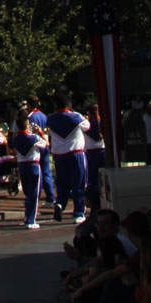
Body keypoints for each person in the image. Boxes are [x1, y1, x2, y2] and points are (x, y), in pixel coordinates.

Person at [47, 91, 90, 224]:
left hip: (59, 156)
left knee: (62, 184)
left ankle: (60, 204)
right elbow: (87, 127)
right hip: (75, 154)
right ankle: (78, 213)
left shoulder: (50, 119)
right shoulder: (75, 116)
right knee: (79, 184)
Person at [9, 108, 44, 228]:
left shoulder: (16, 139)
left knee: (28, 193)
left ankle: (27, 216)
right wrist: (40, 132)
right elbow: (46, 144)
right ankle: (30, 220)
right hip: (33, 165)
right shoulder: (33, 138)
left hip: (22, 166)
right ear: (26, 125)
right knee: (34, 193)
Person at [27, 94, 56, 206]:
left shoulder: (30, 117)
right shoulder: (43, 116)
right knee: (46, 171)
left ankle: (36, 197)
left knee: (36, 173)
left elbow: (29, 133)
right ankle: (50, 197)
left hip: (36, 145)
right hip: (45, 143)